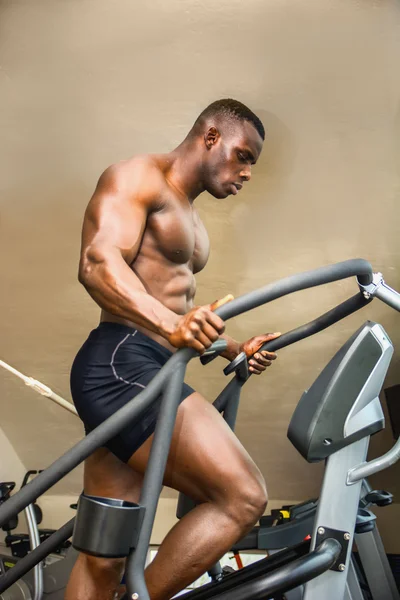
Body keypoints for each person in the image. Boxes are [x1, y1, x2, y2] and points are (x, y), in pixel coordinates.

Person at [66, 99, 280, 600]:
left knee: (105, 553)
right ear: (210, 137)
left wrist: (231, 348)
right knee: (243, 496)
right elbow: (98, 262)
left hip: (147, 363)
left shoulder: (192, 217)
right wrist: (171, 323)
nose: (246, 172)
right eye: (243, 155)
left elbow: (175, 309)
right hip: (121, 363)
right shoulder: (138, 176)